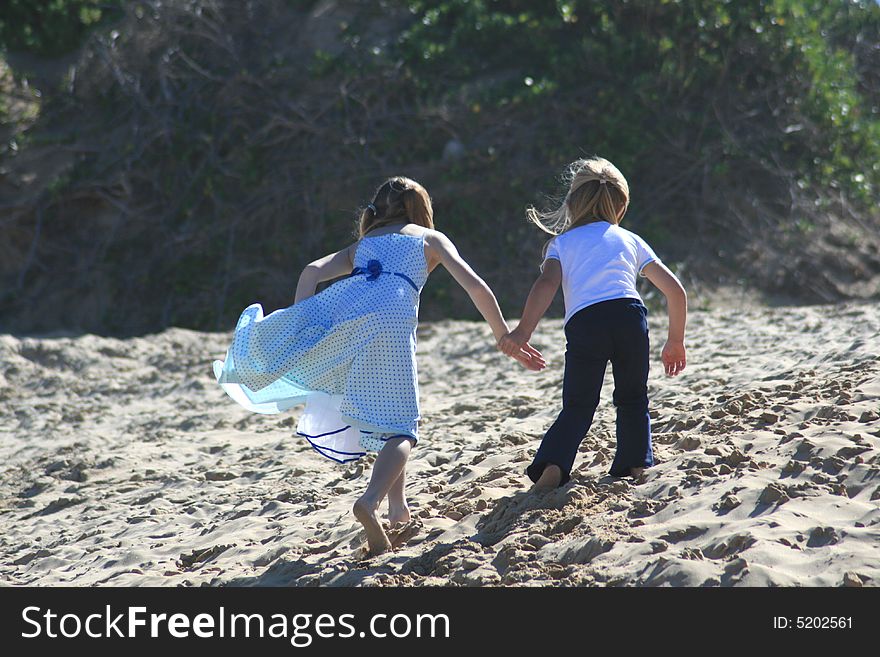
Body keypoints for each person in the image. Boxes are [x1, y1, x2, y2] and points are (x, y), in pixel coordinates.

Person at [213, 176, 544, 554]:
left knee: (389, 418)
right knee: (402, 428)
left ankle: (397, 508)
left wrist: (302, 314)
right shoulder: (428, 238)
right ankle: (369, 501)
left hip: (350, 322)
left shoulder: (365, 244)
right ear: (421, 208)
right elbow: (475, 285)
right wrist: (504, 336)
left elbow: (311, 271)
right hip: (391, 325)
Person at [499, 157, 687, 490]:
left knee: (579, 403)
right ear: (622, 205)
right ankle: (634, 464)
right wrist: (675, 341)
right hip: (630, 317)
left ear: (572, 202)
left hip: (586, 322)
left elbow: (546, 285)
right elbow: (675, 290)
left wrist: (522, 331)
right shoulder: (630, 239)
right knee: (632, 397)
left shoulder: (561, 244)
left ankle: (553, 466)